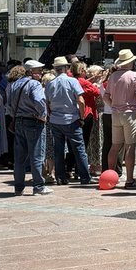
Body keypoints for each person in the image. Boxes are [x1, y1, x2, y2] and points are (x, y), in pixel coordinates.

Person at [46, 57, 92, 186]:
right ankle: (84, 177)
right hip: (71, 118)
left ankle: (61, 177)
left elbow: (47, 102)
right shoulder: (72, 81)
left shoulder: (50, 83)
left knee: (58, 150)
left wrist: (51, 115)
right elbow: (81, 101)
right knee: (79, 149)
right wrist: (81, 117)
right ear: (66, 68)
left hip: (55, 119)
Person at [10, 59, 51, 195]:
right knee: (37, 155)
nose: (41, 72)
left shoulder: (14, 84)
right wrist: (42, 114)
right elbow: (39, 100)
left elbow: (9, 104)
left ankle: (18, 187)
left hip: (18, 121)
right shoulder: (34, 84)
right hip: (33, 121)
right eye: (38, 70)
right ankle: (38, 186)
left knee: (19, 157)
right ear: (30, 72)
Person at [103, 49, 136, 188]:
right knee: (130, 147)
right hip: (131, 114)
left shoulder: (113, 76)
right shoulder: (134, 76)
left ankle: (110, 176)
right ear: (130, 62)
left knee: (115, 146)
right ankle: (130, 180)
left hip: (116, 113)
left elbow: (106, 96)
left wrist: (114, 105)